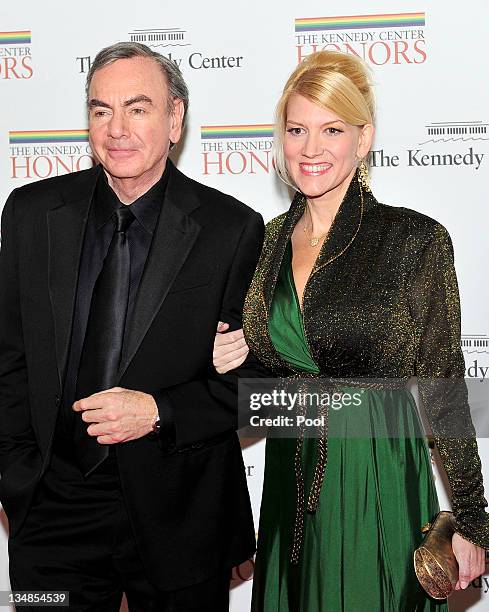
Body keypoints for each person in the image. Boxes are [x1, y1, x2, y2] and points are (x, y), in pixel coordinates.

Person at [213, 50, 488, 611]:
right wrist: (233, 360)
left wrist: (475, 519)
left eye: (331, 129)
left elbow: (443, 388)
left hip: (376, 469)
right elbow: (269, 389)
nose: (311, 148)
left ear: (363, 139)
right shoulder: (260, 244)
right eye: (296, 129)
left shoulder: (413, 241)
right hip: (292, 475)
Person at [0, 41, 264, 611]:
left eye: (138, 108)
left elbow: (250, 384)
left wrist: (158, 411)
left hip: (180, 513)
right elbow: (8, 353)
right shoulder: (29, 213)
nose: (117, 128)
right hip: (52, 516)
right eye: (101, 110)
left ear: (175, 119)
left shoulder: (232, 229)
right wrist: (14, 470)